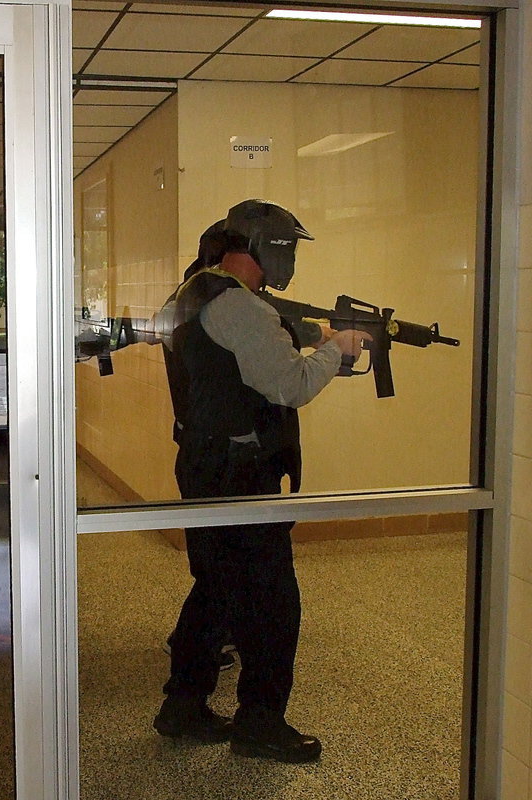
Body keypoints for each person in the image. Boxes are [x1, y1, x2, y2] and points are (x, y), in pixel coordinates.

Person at [151, 199, 368, 763]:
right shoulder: (243, 309)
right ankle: (260, 721)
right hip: (238, 471)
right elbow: (289, 385)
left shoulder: (197, 289)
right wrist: (333, 349)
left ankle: (184, 705)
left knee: (217, 587)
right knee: (272, 601)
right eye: (287, 248)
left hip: (204, 459)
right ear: (270, 248)